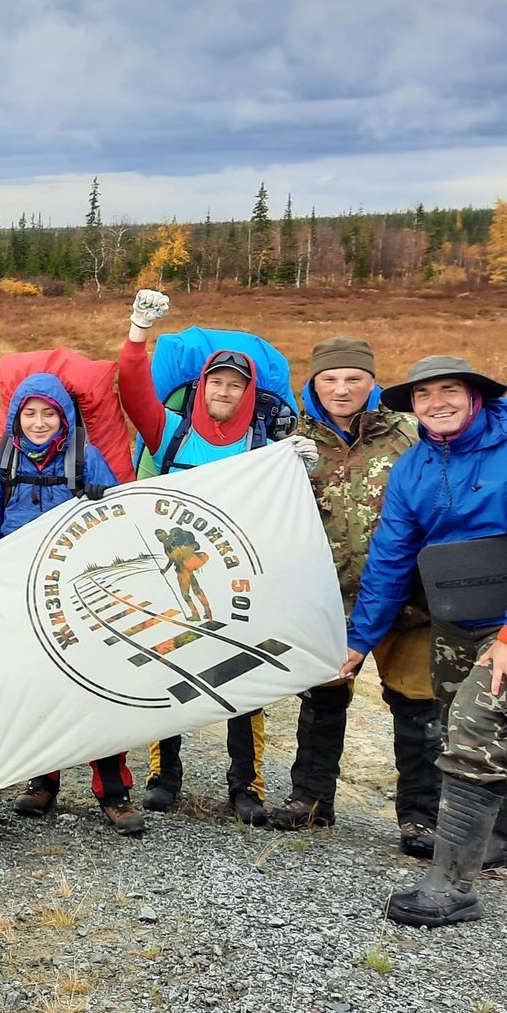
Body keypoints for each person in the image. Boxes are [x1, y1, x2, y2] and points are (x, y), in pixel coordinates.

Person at [340, 356, 507, 927]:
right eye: (424, 396)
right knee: (453, 726)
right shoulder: (412, 469)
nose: (436, 403)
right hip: (457, 615)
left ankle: (451, 888)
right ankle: (503, 843)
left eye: (449, 390)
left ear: (476, 397)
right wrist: (359, 641)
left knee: (475, 726)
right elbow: (390, 561)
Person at [118, 289, 317, 826]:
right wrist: (138, 333)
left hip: (241, 579)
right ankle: (164, 776)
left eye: (236, 384)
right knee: (169, 666)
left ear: (249, 391)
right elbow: (132, 388)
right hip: (171, 571)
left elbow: (290, 510)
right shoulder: (170, 431)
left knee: (244, 677)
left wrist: (301, 467)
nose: (224, 391)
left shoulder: (266, 443)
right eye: (216, 382)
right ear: (201, 386)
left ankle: (245, 784)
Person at [0, 373, 142, 836]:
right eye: (30, 413)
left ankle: (113, 790)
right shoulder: (0, 462)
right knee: (34, 684)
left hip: (79, 594)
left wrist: (101, 500)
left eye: (49, 413)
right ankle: (42, 780)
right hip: (22, 594)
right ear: (16, 417)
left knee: (94, 686)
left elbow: (118, 518)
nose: (40, 422)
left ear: (64, 416)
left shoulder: (86, 459)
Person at [266, 338, 440, 856]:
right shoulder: (291, 443)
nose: (341, 389)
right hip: (327, 602)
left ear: (373, 381)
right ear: (313, 383)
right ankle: (311, 801)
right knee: (321, 702)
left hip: (409, 603)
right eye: (329, 379)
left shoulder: (412, 436)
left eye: (353, 378)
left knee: (417, 711)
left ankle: (419, 819)